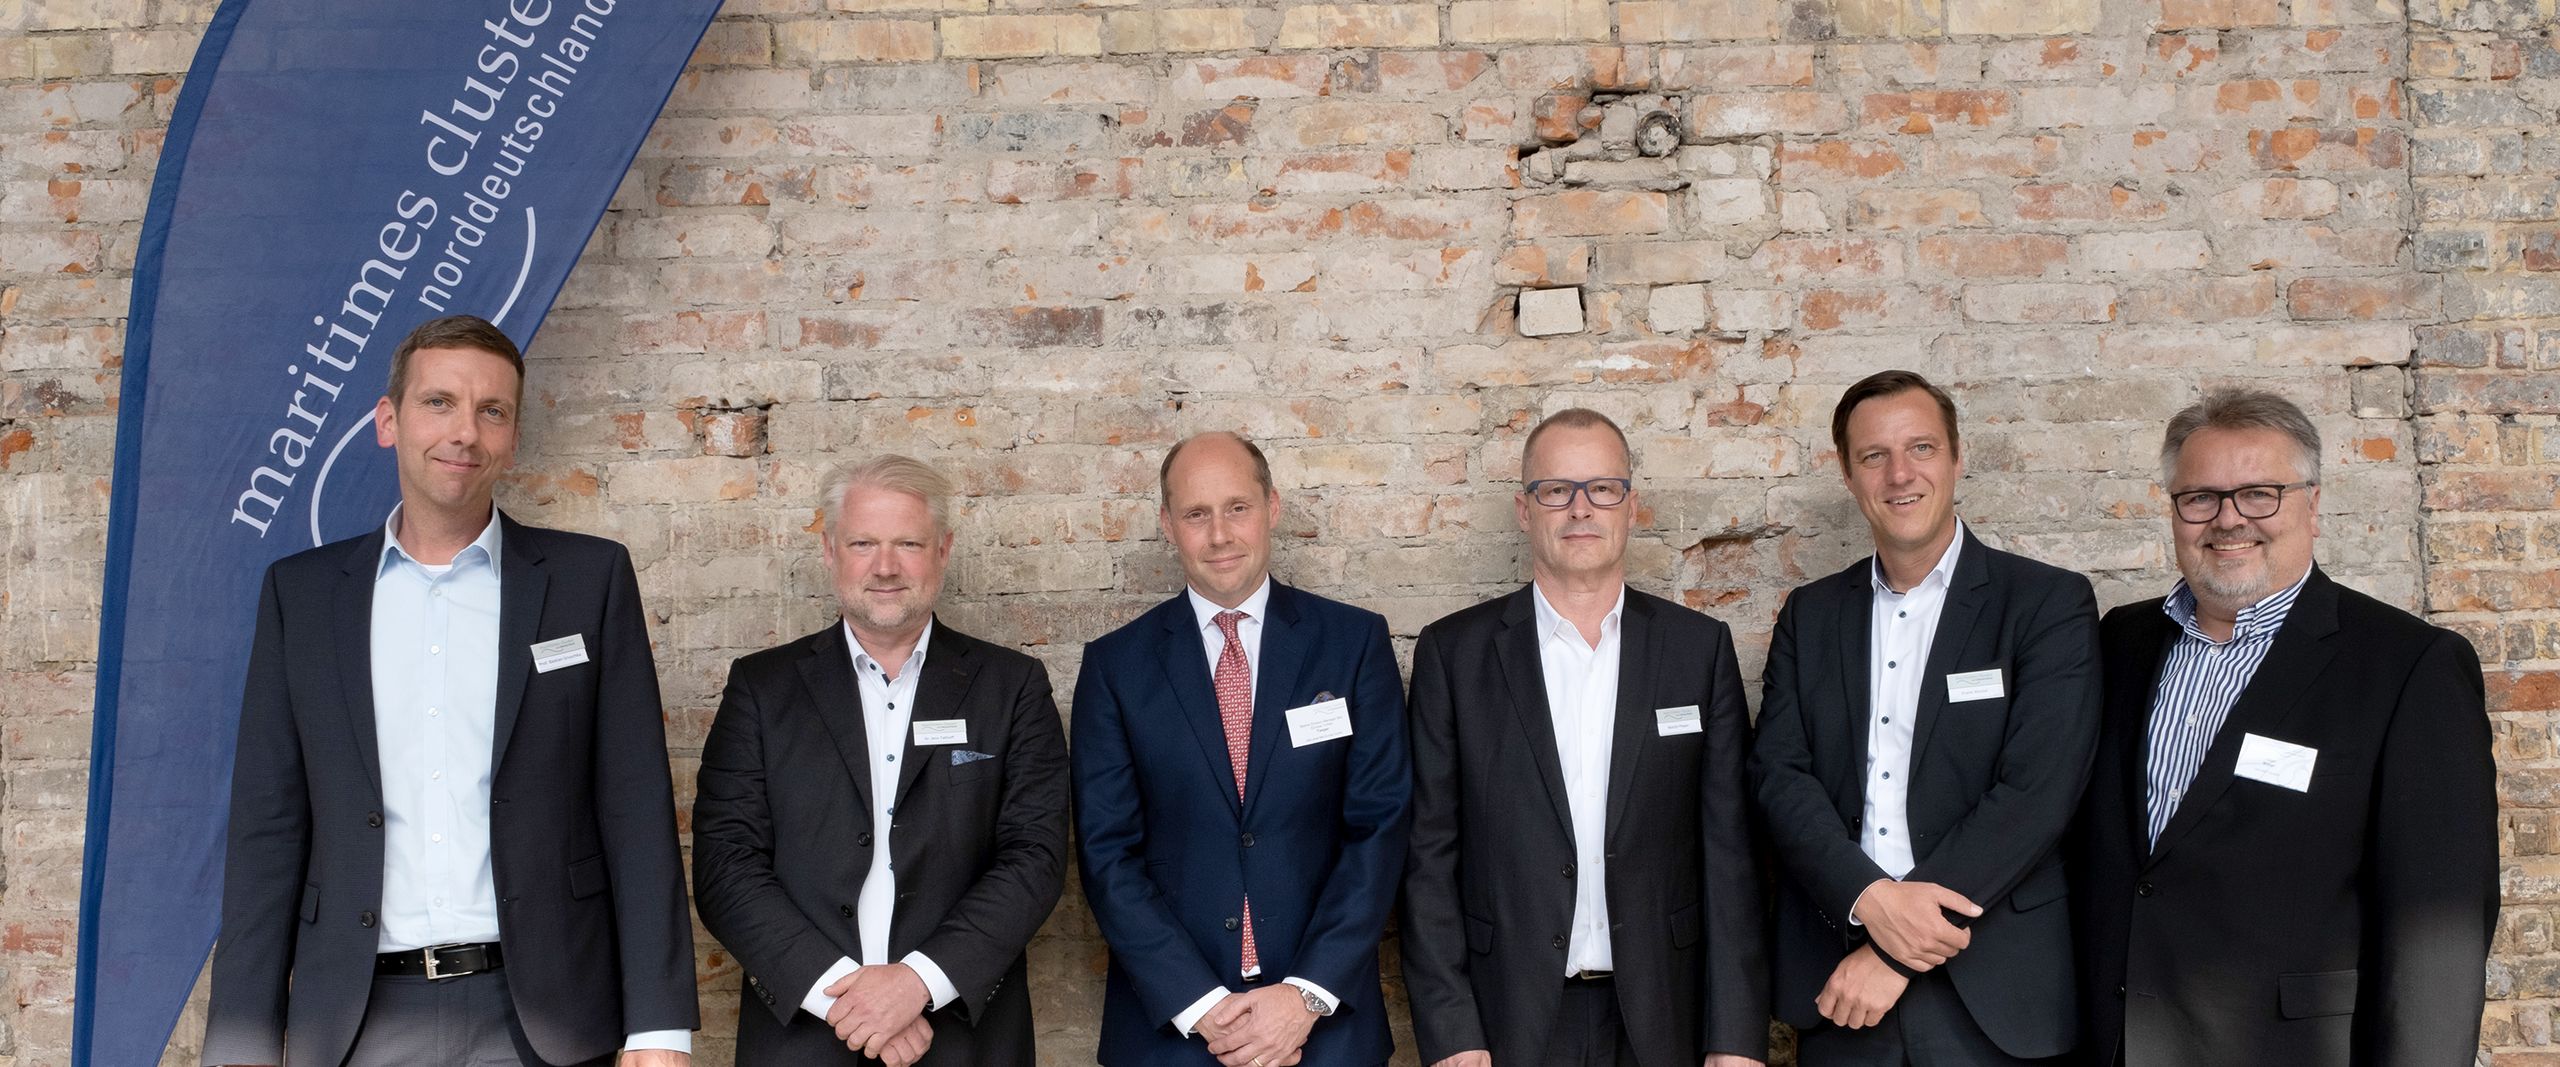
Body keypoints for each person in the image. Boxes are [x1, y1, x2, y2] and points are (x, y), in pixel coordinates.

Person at [205, 315, 696, 1066]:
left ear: (513, 436)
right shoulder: (300, 598)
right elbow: (267, 832)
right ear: (387, 420)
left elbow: (635, 809)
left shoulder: (587, 582)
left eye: (491, 410)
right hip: (356, 1021)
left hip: (548, 1019)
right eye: (439, 402)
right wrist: (240, 1043)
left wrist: (659, 1026)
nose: (464, 431)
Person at [2071, 387, 2499, 1065]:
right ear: (2175, 509)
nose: (2228, 519)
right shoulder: (2120, 642)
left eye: (2259, 493)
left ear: (2313, 504)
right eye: (2201, 496)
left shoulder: (2407, 667)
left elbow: (2437, 937)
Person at [1400, 407, 1768, 1067]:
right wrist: (1452, 1031)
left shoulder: (1696, 649)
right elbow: (1428, 857)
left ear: (1632, 506)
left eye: (1602, 488)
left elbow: (1731, 855)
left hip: (1664, 1015)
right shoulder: (1454, 654)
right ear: (1523, 508)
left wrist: (1735, 1037)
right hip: (1506, 1018)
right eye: (1555, 489)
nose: (1580, 508)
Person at [1750, 371, 2099, 1064]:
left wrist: (1897, 950)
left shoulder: (2044, 603)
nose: (1899, 473)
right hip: (1841, 989)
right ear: (1848, 474)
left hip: (1992, 986)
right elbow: (1778, 777)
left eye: (1921, 448)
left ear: (1957, 457)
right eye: (1874, 455)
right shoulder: (1811, 614)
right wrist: (1867, 899)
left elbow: (2037, 794)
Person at [691, 455, 1068, 1066]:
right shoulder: (761, 688)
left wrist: (917, 983)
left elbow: (1035, 856)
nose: (885, 566)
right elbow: (725, 865)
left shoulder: (1012, 685)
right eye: (863, 543)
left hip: (965, 1036)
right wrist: (844, 997)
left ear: (943, 551)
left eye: (908, 544)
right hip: (803, 1035)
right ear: (829, 550)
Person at [1071, 431, 1411, 1067]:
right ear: (1167, 526)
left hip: (1324, 1025)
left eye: (1237, 508)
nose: (1220, 534)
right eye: (1196, 514)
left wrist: (1305, 996)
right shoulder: (1117, 667)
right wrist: (1201, 1005)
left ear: (1272, 509)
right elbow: (1106, 852)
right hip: (1173, 1033)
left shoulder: (1353, 643)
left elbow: (1380, 828)